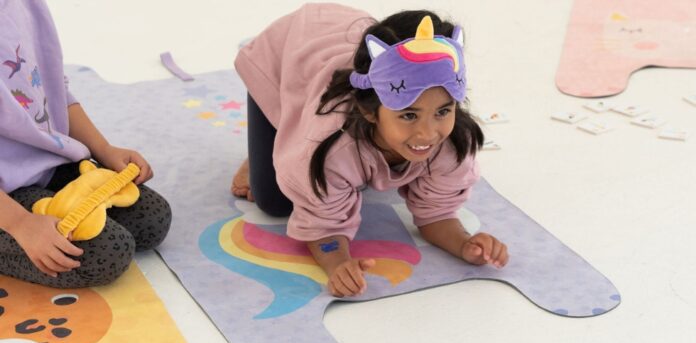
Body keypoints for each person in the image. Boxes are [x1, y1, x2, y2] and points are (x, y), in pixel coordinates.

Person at [232, 4, 508, 297]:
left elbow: (436, 214)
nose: (428, 133)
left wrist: (464, 244)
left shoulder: (452, 144)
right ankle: (280, 143)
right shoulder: (328, 146)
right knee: (276, 203)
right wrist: (338, 264)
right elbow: (323, 228)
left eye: (443, 111)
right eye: (409, 115)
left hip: (352, 38)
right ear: (369, 111)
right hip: (290, 52)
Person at [0, 0, 171, 288]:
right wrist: (20, 224)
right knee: (107, 254)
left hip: (47, 162)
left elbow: (54, 89)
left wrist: (104, 150)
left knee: (152, 221)